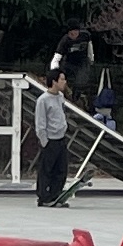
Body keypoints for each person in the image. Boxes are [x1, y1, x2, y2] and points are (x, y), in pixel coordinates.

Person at [33, 76, 72, 206]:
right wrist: (45, 141)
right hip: (50, 140)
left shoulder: (60, 96)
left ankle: (55, 195)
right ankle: (44, 198)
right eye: (62, 79)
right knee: (46, 170)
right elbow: (40, 123)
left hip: (61, 138)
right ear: (54, 82)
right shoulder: (43, 100)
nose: (64, 82)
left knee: (61, 169)